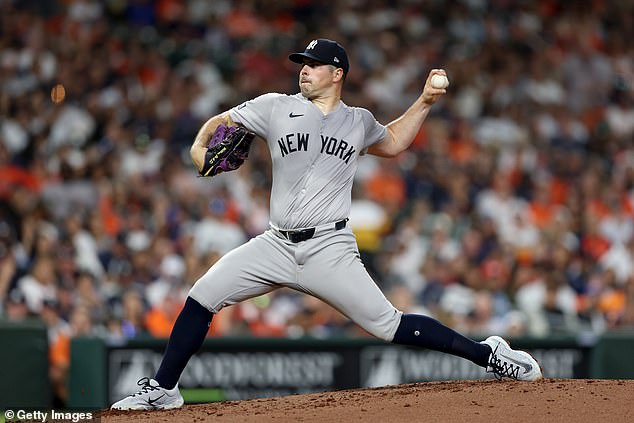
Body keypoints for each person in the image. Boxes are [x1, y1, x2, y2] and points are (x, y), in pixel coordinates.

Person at [111, 38, 542, 411]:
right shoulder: (275, 107)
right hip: (275, 244)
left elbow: (391, 143)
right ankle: (164, 389)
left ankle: (489, 354)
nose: (304, 71)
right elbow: (222, 122)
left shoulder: (358, 121)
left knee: (388, 325)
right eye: (302, 63)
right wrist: (200, 146)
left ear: (337, 73)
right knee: (202, 296)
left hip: (329, 249)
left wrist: (425, 102)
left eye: (313, 65)